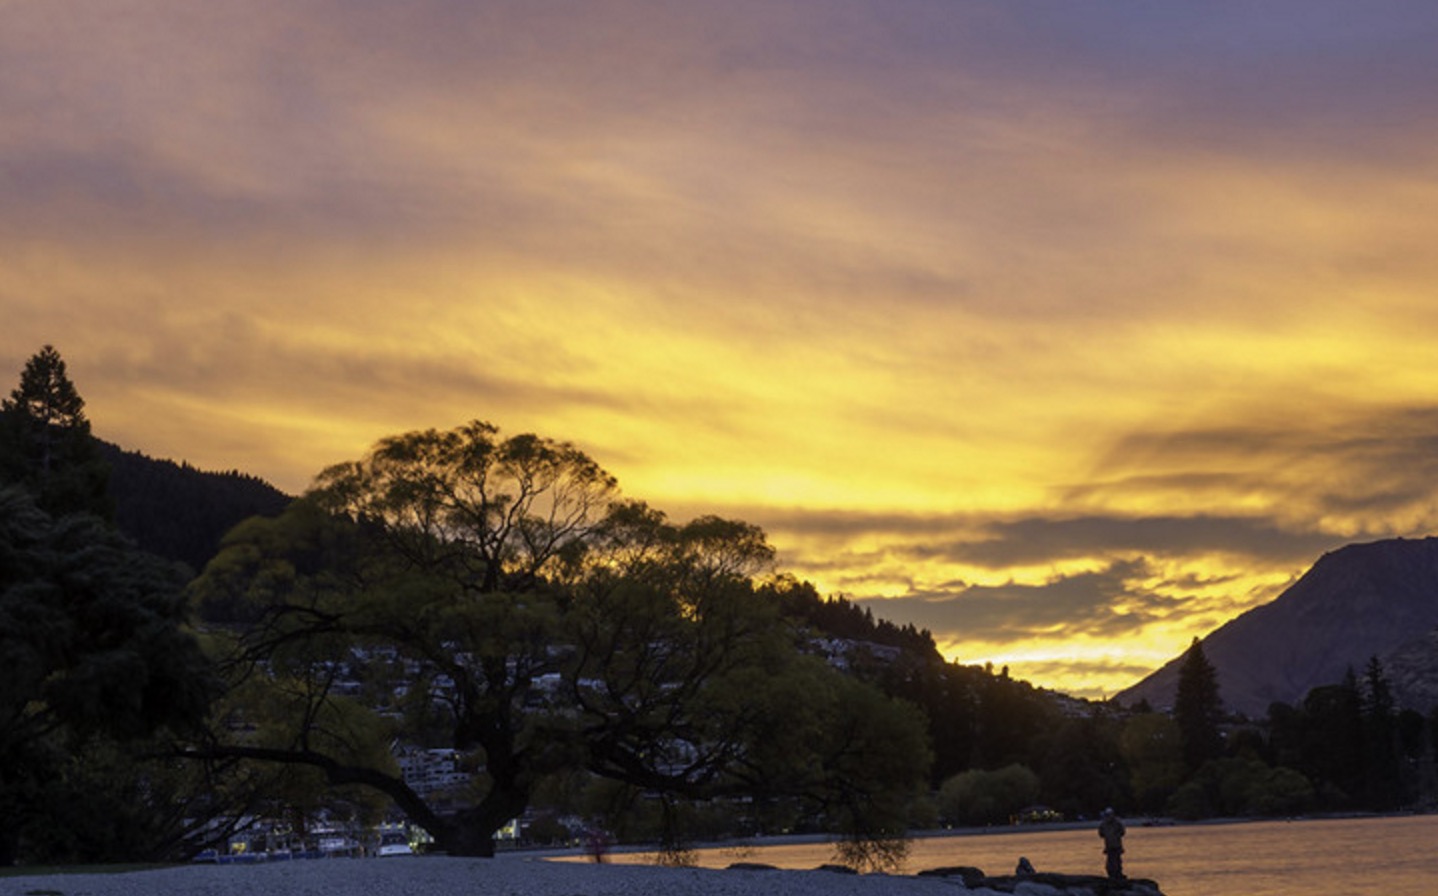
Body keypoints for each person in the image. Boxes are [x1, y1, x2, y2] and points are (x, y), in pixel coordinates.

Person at [1098, 807, 1126, 880]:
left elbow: (1122, 832)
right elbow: (1101, 834)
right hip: (1110, 845)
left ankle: (1117, 874)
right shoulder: (1104, 824)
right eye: (1108, 815)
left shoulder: (1117, 823)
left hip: (1116, 845)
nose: (1109, 816)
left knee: (1117, 860)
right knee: (1111, 861)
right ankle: (1112, 874)